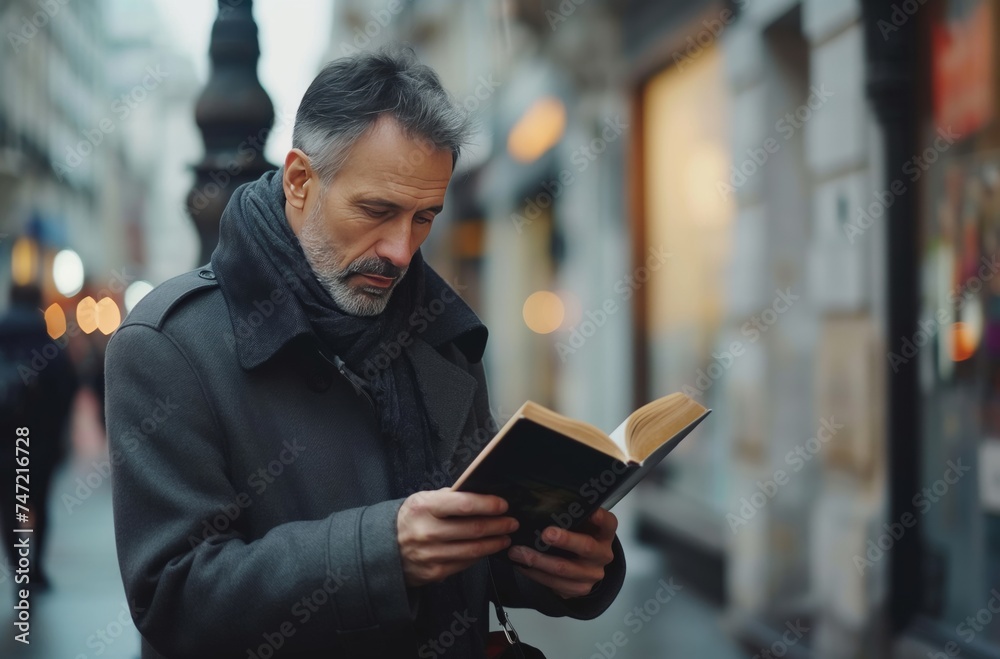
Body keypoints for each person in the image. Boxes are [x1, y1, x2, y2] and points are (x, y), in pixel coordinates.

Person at [105, 47, 625, 658]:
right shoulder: (168, 346)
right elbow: (173, 597)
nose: (402, 250)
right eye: (377, 211)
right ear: (300, 181)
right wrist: (384, 552)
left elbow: (472, 551)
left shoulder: (442, 333)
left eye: (425, 217)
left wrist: (564, 565)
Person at [0, 283, 78, 590]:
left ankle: (18, 569)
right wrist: (59, 432)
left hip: (4, 443)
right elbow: (67, 390)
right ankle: (35, 567)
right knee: (39, 503)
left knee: (9, 505)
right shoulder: (47, 343)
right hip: (39, 443)